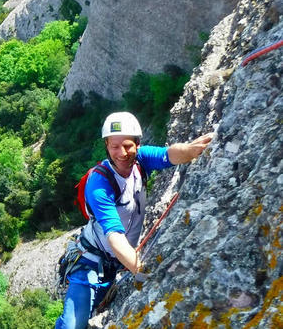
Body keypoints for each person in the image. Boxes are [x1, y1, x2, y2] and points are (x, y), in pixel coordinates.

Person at [55, 112, 212, 329]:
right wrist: (141, 270)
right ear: (107, 146)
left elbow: (169, 155)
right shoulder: (99, 184)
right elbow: (114, 236)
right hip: (90, 263)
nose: (122, 152)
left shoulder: (141, 161)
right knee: (73, 325)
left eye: (128, 145)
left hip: (117, 263)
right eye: (114, 146)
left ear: (137, 144)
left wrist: (193, 150)